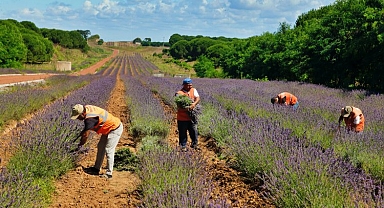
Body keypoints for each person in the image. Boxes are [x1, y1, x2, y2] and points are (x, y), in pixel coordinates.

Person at [71, 104, 123, 179]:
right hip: (108, 128)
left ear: (82, 113)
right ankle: (96, 168)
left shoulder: (90, 119)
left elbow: (86, 135)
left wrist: (79, 146)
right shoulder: (87, 108)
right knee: (101, 147)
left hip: (115, 128)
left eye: (78, 117)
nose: (78, 119)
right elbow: (86, 130)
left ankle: (109, 173)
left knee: (109, 150)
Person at [175, 78, 201, 152]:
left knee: (194, 131)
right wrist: (187, 108)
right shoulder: (179, 93)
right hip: (182, 118)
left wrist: (194, 104)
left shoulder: (193, 90)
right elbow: (179, 106)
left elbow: (198, 98)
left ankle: (194, 145)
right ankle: (183, 146)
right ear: (184, 85)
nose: (190, 87)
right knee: (182, 133)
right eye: (188, 85)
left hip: (192, 117)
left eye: (191, 85)